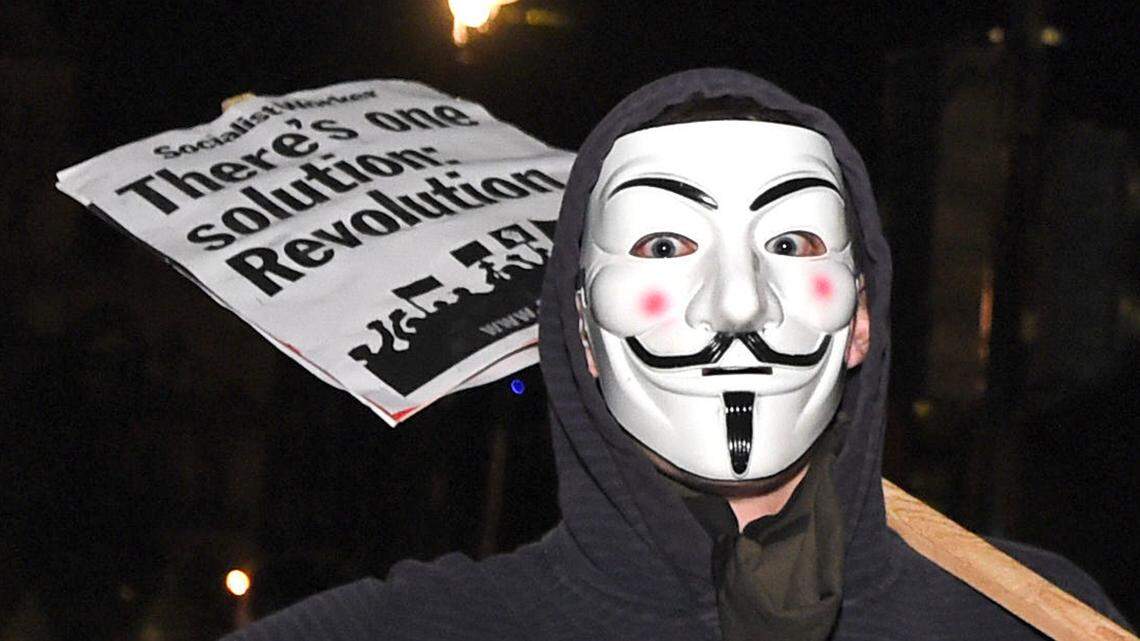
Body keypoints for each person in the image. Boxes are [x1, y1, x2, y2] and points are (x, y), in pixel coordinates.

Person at [223, 68, 1130, 640]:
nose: (739, 303)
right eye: (662, 246)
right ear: (577, 331)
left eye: (794, 243)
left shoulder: (1028, 613)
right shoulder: (428, 628)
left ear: (862, 316)